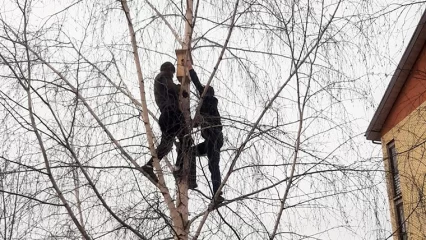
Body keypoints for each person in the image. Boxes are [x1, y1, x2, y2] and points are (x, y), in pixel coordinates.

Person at [142, 62, 196, 189]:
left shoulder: (160, 81)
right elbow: (170, 87)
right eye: (172, 72)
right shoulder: (163, 76)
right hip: (172, 113)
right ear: (169, 70)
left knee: (167, 145)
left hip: (166, 115)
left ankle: (149, 166)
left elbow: (169, 89)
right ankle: (178, 168)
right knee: (187, 140)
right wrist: (181, 89)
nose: (172, 75)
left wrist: (178, 91)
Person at [187, 61, 224, 203]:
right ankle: (192, 181)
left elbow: (197, 85)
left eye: (202, 92)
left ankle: (217, 193)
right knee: (191, 152)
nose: (199, 93)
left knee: (213, 165)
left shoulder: (209, 100)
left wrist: (190, 69)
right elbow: (199, 122)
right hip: (211, 139)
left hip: (214, 137)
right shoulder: (207, 105)